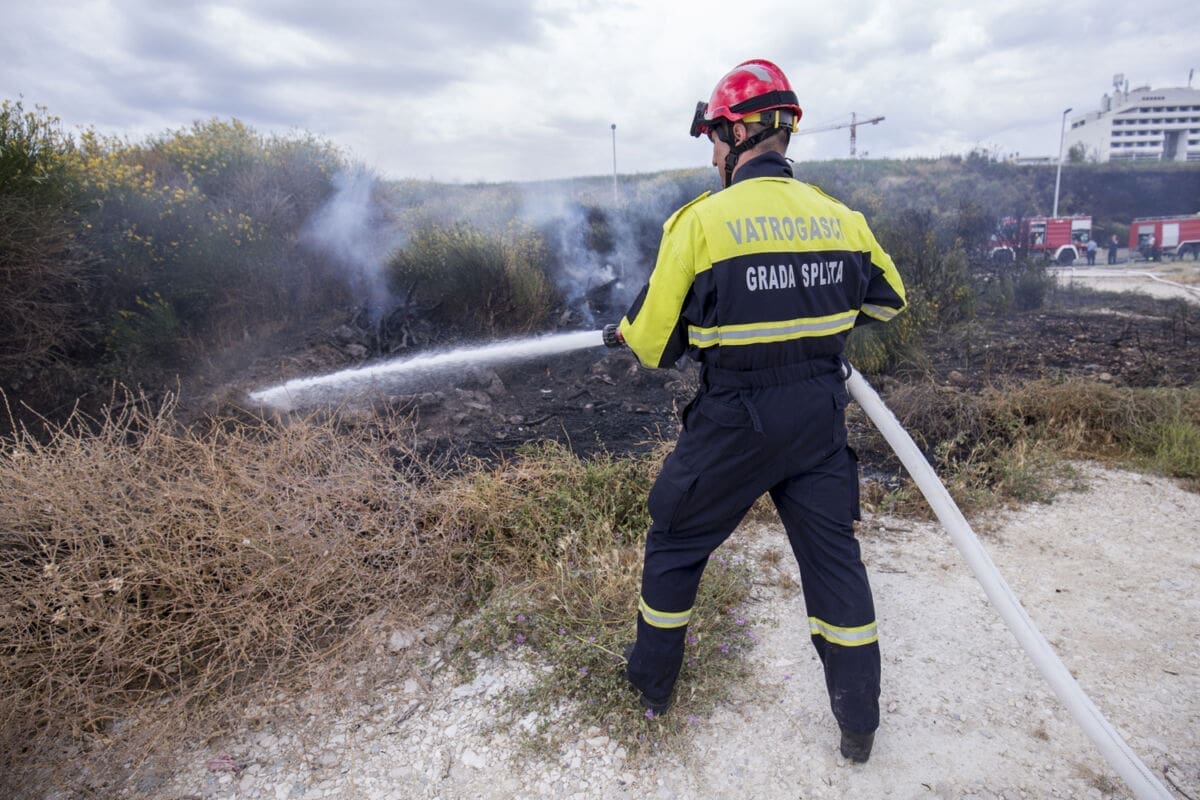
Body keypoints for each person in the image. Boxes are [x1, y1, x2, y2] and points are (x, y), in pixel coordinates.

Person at [601, 58, 906, 764]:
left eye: (714, 137)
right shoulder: (842, 220)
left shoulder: (700, 224)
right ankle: (859, 726)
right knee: (835, 565)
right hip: (818, 418)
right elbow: (889, 302)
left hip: (735, 419)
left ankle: (651, 686)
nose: (713, 154)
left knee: (675, 538)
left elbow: (652, 343)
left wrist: (630, 327)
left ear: (739, 132)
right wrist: (810, 318)